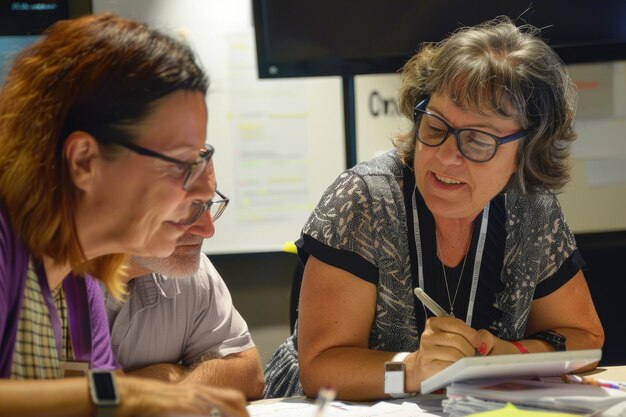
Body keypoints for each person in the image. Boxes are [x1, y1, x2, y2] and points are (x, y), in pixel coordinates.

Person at [264, 16, 604, 401]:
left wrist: (511, 354)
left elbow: (586, 340)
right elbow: (321, 372)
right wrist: (410, 371)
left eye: (477, 141)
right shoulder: (364, 200)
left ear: (526, 153)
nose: (445, 157)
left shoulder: (532, 209)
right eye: (436, 126)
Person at [0, 13, 248, 417]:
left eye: (203, 158)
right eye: (182, 162)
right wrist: (130, 396)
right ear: (84, 161)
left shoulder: (79, 278)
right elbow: (109, 402)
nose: (203, 189)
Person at [104, 163, 265, 399]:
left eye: (209, 204)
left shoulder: (191, 271)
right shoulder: (53, 278)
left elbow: (248, 372)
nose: (208, 230)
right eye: (189, 206)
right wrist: (166, 376)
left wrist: (173, 390)